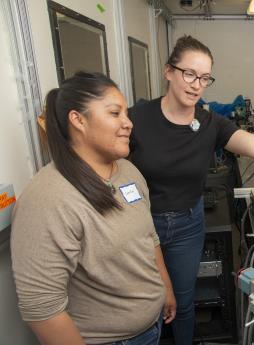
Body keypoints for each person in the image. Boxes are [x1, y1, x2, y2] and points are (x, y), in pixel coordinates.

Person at [128, 35, 254, 345]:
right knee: (145, 304)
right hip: (141, 226)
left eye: (205, 77)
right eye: (189, 74)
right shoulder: (136, 119)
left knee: (182, 301)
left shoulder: (210, 123)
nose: (197, 84)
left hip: (186, 225)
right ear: (169, 71)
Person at [11, 72, 176, 345]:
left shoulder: (127, 172)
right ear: (78, 120)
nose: (128, 123)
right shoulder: (48, 198)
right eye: (115, 113)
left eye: (126, 113)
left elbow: (149, 238)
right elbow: (42, 310)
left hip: (150, 328)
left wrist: (165, 289)